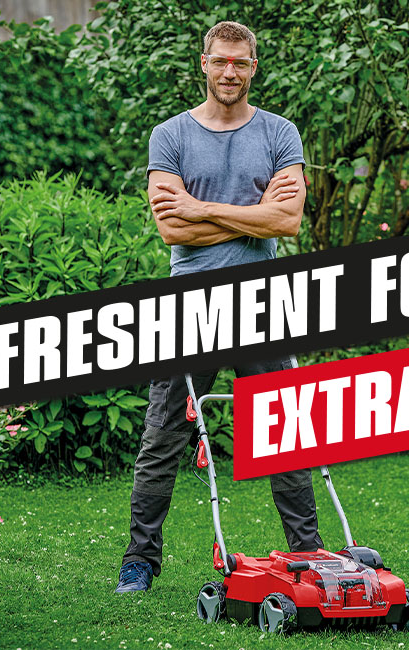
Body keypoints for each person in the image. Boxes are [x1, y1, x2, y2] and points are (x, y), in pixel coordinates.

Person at [115, 20, 324, 593]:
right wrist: (247, 215)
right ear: (203, 63)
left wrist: (199, 207)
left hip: (263, 304)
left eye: (242, 63)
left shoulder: (281, 133)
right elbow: (169, 228)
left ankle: (308, 554)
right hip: (189, 305)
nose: (230, 72)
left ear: (254, 68)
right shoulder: (170, 136)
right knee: (163, 434)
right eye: (221, 61)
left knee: (282, 432)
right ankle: (141, 559)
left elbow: (286, 220)